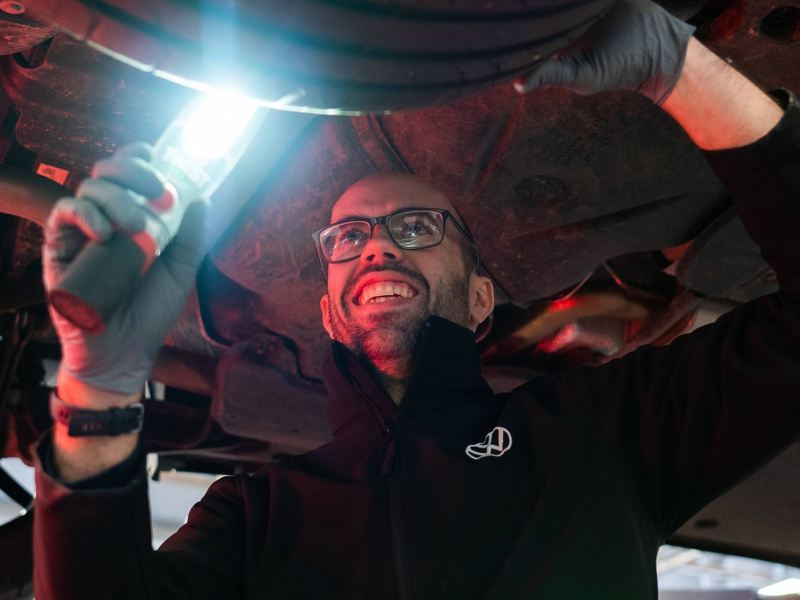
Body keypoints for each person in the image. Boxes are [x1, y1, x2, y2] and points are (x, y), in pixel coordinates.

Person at [33, 0, 800, 597]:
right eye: (347, 235)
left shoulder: (602, 438)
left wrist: (680, 68)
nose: (376, 244)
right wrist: (96, 392)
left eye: (415, 225)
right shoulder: (254, 515)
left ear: (478, 300)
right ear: (329, 313)